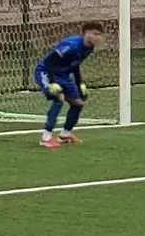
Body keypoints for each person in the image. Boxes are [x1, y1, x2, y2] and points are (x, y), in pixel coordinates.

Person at [36, 21, 104, 149]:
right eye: (95, 34)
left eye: (99, 34)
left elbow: (75, 64)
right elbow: (50, 61)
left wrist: (79, 83)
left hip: (64, 75)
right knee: (58, 98)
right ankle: (45, 138)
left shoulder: (89, 48)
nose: (98, 37)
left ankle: (65, 134)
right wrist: (51, 83)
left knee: (78, 102)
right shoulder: (72, 45)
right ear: (86, 33)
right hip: (46, 72)